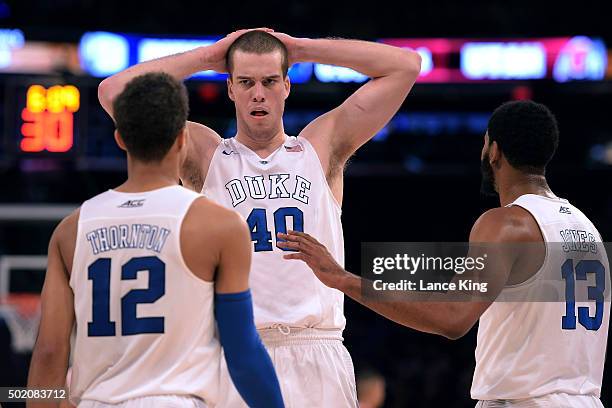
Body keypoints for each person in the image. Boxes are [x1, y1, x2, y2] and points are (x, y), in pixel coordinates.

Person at [98, 29, 421, 407]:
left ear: (287, 85)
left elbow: (406, 65)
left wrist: (301, 48)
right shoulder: (205, 154)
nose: (258, 93)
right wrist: (208, 57)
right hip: (233, 350)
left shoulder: (319, 145)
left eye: (269, 81)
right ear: (230, 88)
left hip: (315, 347)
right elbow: (114, 92)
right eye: (246, 82)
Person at [278, 100, 610, 407]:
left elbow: (452, 317)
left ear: (493, 150)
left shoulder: (507, 223)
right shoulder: (587, 229)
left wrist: (341, 278)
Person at [27, 72, 284, 408]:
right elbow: (242, 350)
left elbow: (49, 353)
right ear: (182, 139)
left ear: (120, 139)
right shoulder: (219, 225)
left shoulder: (70, 229)